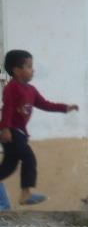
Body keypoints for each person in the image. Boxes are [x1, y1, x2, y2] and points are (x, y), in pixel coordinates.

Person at [0, 49, 77, 206]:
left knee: (9, 166)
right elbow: (7, 108)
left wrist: (65, 108)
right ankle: (25, 194)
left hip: (19, 133)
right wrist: (5, 129)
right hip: (12, 132)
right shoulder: (12, 88)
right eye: (28, 66)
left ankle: (24, 194)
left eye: (32, 66)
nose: (32, 70)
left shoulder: (31, 90)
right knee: (29, 157)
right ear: (16, 70)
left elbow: (45, 104)